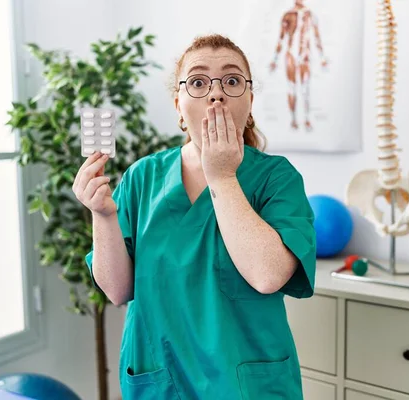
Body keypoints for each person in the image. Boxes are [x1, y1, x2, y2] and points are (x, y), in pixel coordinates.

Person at [73, 33, 317, 399]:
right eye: (199, 82)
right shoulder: (143, 177)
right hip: (160, 381)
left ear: (249, 101)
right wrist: (103, 215)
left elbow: (268, 276)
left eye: (232, 81)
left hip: (244, 386)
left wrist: (222, 175)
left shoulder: (276, 178)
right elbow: (117, 290)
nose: (216, 93)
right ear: (178, 105)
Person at [270, 0, 328, 132]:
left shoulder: (310, 15)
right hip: (291, 55)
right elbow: (281, 38)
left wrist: (322, 58)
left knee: (305, 88)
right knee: (292, 87)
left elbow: (317, 36)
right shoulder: (288, 15)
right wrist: (275, 59)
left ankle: (306, 119)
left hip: (304, 55)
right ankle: (293, 119)